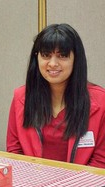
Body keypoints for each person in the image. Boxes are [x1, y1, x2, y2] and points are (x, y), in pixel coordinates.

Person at [6, 23, 105, 168]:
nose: (53, 63)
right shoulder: (21, 98)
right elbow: (14, 152)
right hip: (33, 184)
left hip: (81, 186)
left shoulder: (100, 101)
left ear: (76, 59)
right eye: (46, 55)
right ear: (37, 57)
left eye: (62, 56)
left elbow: (101, 161)